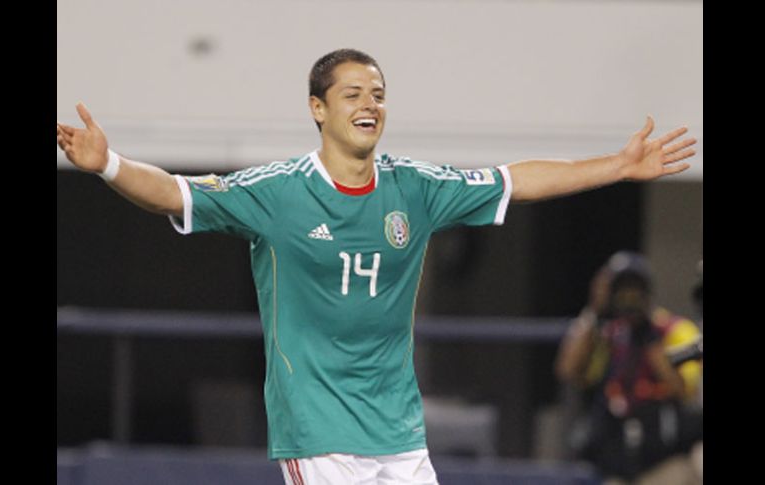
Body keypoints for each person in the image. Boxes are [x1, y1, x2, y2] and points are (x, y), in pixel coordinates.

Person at [57, 48, 696, 485]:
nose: (371, 104)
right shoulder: (277, 194)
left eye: (380, 95)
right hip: (319, 434)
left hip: (399, 433)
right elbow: (174, 193)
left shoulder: (413, 188)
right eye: (354, 94)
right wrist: (108, 164)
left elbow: (516, 180)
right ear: (318, 108)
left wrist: (617, 165)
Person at [555, 252, 702, 484]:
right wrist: (594, 311)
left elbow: (683, 390)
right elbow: (568, 371)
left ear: (648, 291)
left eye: (635, 289)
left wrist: (647, 335)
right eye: (621, 290)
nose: (629, 298)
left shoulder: (673, 329)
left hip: (668, 461)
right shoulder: (608, 334)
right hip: (618, 464)